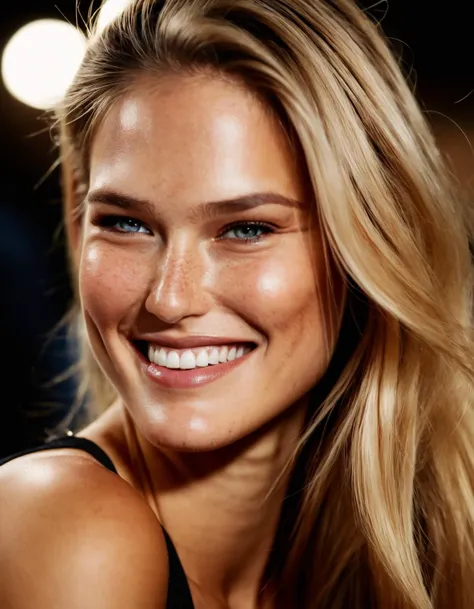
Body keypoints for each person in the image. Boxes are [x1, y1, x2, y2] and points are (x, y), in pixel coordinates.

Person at [1, 1, 473, 607]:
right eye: (126, 223)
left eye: (245, 229)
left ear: (367, 245)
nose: (170, 298)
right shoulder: (71, 532)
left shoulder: (376, 561)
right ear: (76, 225)